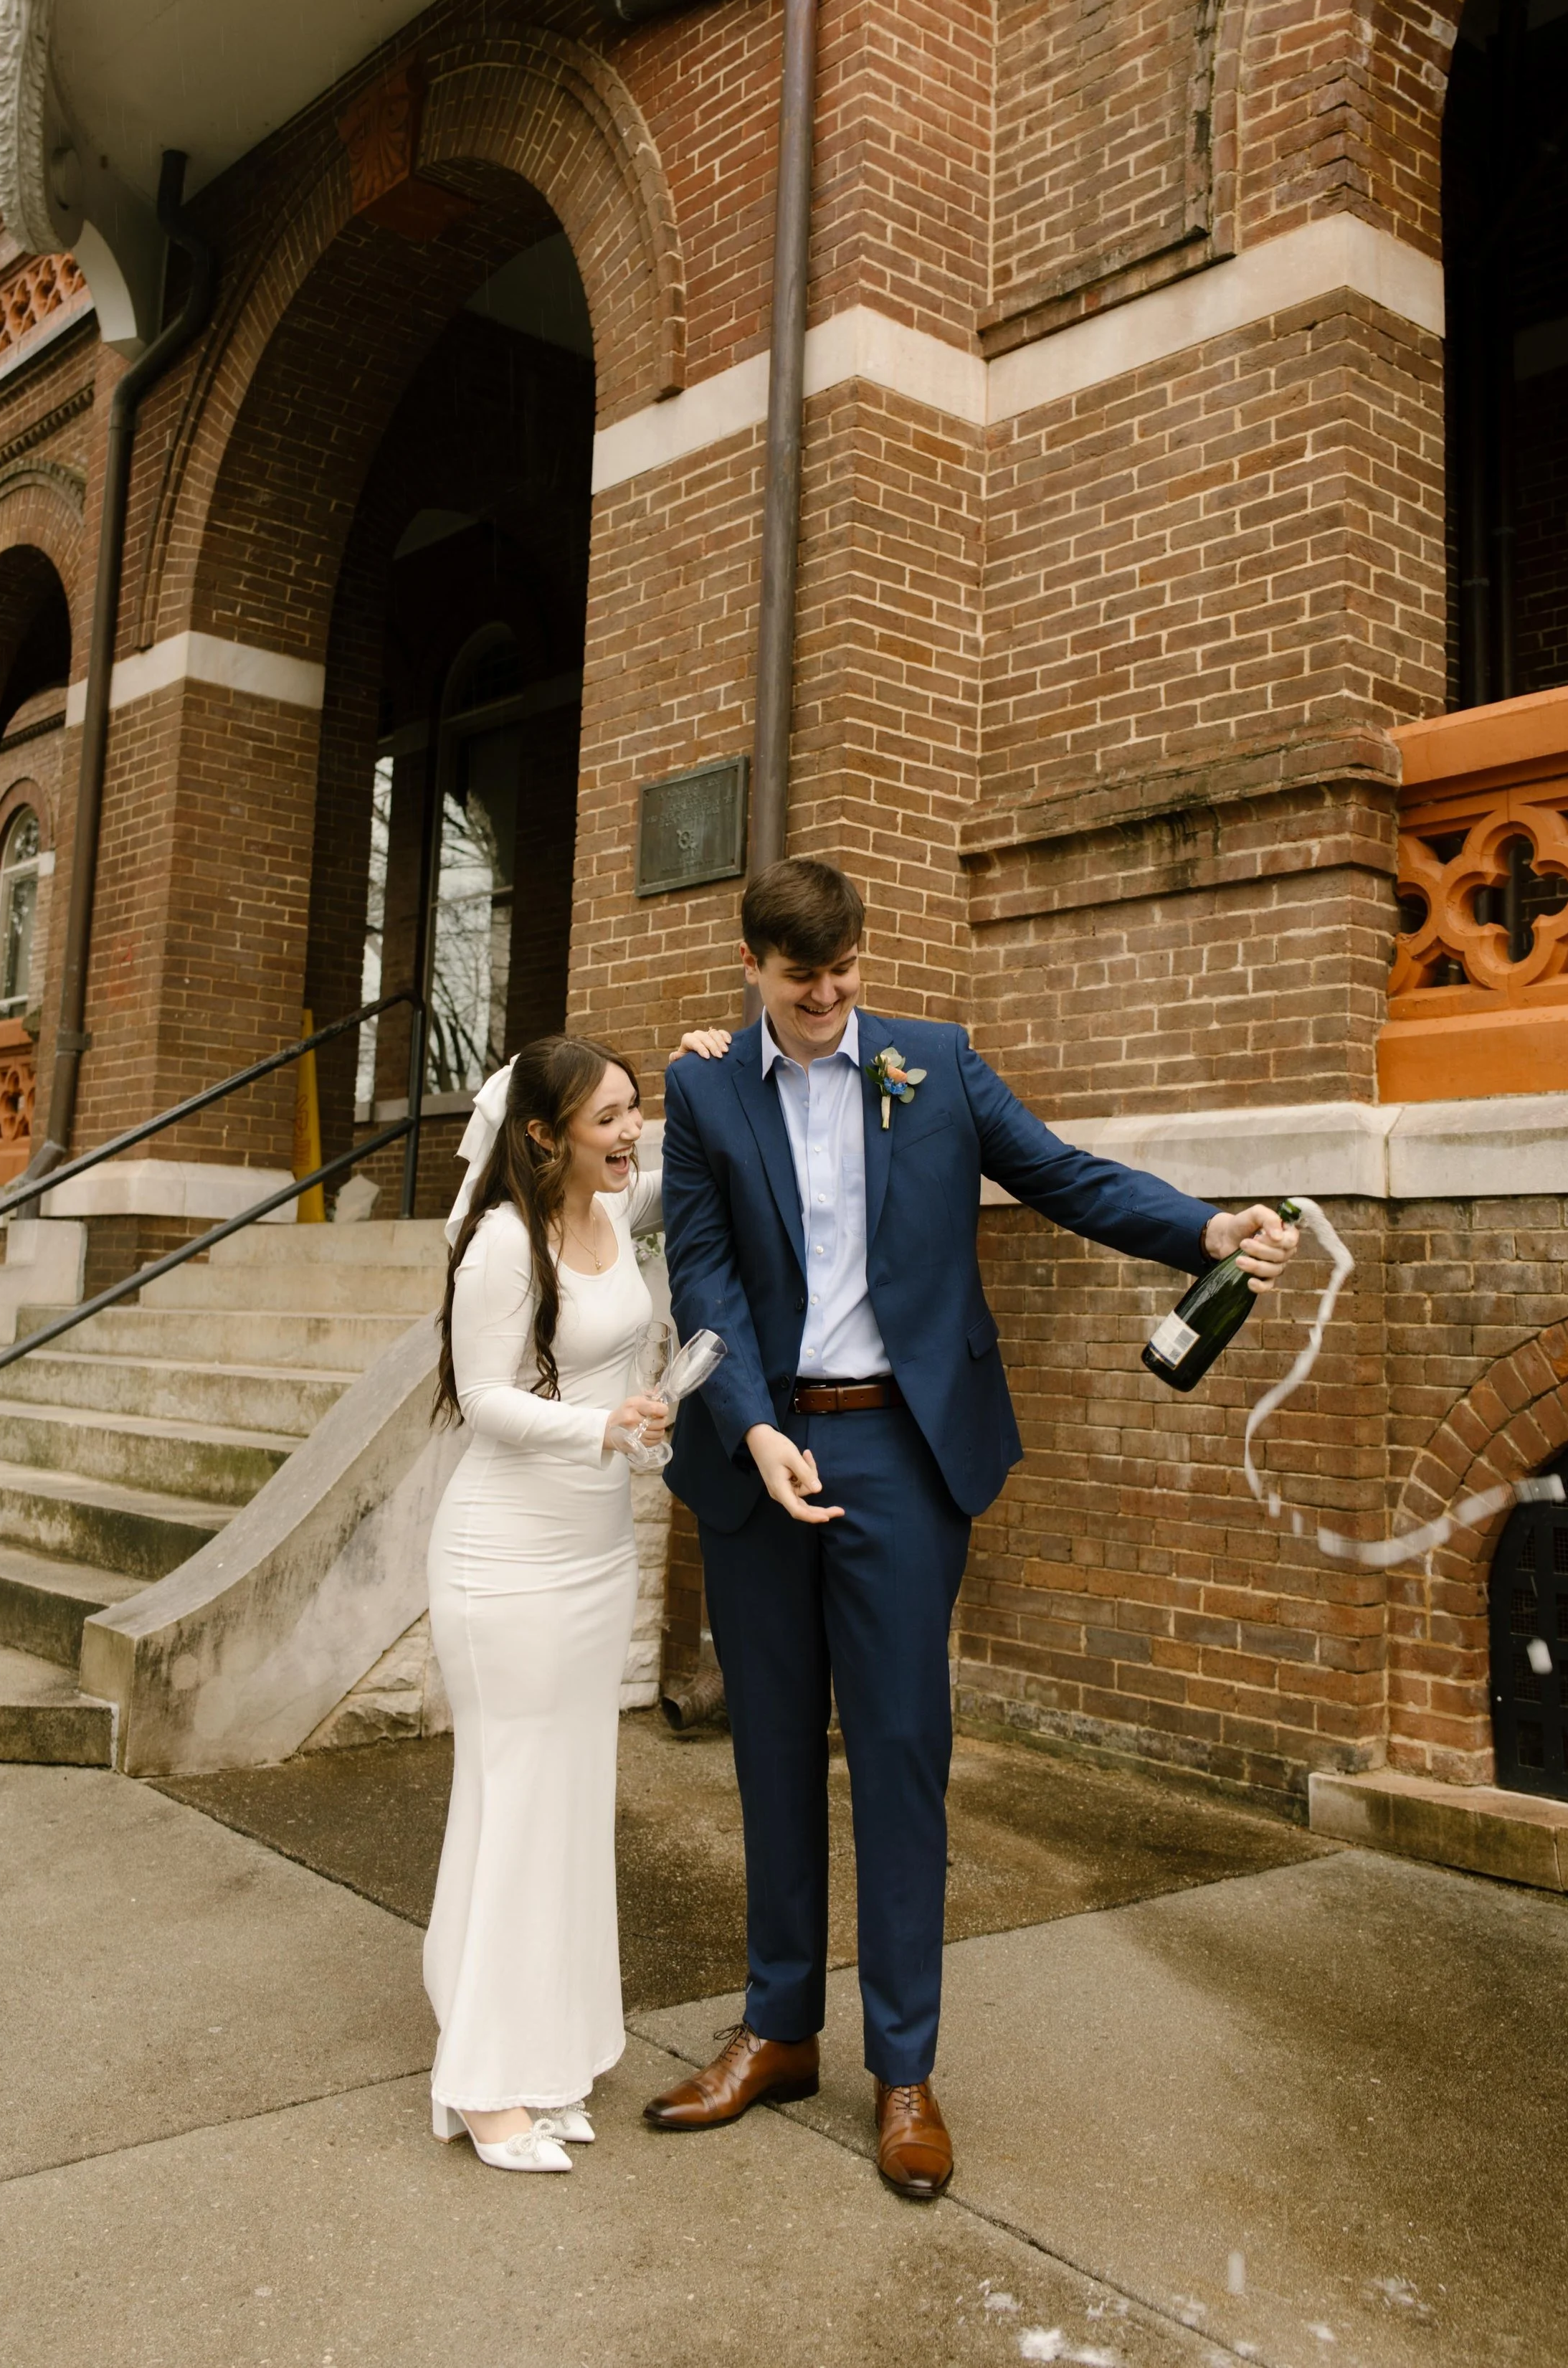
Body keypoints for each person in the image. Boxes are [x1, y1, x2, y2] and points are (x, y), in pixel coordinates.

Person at [649, 857, 1298, 2198]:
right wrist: (754, 1426)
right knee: (771, 1748)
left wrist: (1205, 1226)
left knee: (898, 1753)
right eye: (800, 979)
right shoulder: (707, 1087)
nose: (828, 998)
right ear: (752, 968)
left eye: (844, 973)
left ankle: (905, 2071)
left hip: (900, 1444)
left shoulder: (934, 1065)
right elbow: (700, 1267)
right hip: (761, 1441)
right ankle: (777, 2029)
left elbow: (1063, 1174)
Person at [424, 1028, 723, 2172]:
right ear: (543, 1134)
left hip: (596, 1552)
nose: (630, 1132)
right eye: (608, 1117)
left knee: (558, 1804)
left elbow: (692, 1155)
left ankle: (534, 2038)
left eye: (635, 1109)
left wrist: (704, 1063)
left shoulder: (617, 1206)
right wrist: (598, 1425)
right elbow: (487, 1399)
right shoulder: (502, 1242)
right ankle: (489, 2083)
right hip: (505, 1559)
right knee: (513, 1801)